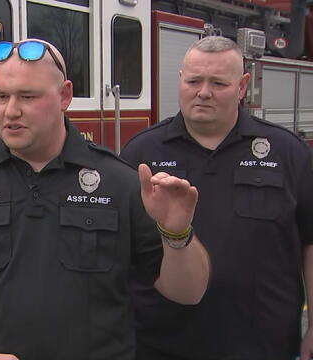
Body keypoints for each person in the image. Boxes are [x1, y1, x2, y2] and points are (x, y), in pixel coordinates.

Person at [0, 39, 210, 360]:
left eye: (28, 96)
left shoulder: (120, 183)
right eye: (0, 96)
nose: (11, 111)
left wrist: (177, 234)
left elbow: (187, 293)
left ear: (64, 96)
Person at [120, 36, 313, 360]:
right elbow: (119, 251)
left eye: (218, 83)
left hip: (263, 344)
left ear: (242, 86)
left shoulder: (288, 152)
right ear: (180, 80)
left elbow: (311, 241)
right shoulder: (142, 153)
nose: (203, 92)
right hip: (162, 344)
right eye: (194, 80)